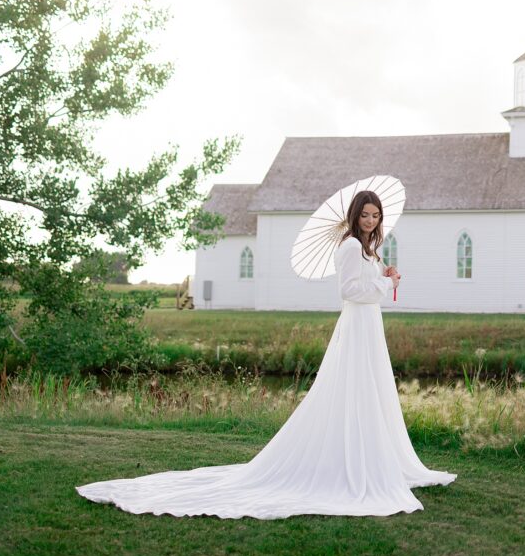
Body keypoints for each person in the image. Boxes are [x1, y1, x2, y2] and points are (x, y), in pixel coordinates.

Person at [75, 189, 457, 518]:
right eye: (365, 214)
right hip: (357, 323)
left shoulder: (368, 248)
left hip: (369, 325)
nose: (371, 220)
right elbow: (349, 292)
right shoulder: (350, 245)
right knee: (354, 387)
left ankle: (375, 455)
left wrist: (384, 275)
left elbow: (367, 285)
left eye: (375, 216)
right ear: (354, 215)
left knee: (372, 389)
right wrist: (381, 282)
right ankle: (352, 462)